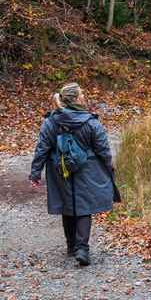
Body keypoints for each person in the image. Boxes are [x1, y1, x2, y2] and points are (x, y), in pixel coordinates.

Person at [29, 82, 116, 265]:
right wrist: (108, 170)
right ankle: (82, 248)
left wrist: (35, 173)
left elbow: (42, 149)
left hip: (60, 169)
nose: (84, 97)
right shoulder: (91, 122)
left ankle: (71, 247)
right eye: (82, 94)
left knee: (66, 202)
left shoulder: (50, 121)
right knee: (85, 207)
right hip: (87, 169)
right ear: (75, 99)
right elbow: (103, 151)